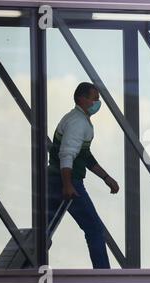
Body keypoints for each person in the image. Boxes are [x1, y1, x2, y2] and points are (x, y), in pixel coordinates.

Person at [47, 82, 119, 269]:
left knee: (44, 230)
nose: (97, 102)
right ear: (81, 99)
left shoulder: (77, 119)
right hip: (68, 182)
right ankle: (103, 275)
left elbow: (84, 155)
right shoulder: (78, 123)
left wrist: (106, 178)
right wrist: (68, 184)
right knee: (94, 229)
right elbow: (67, 154)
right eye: (94, 98)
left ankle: (28, 266)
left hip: (56, 179)